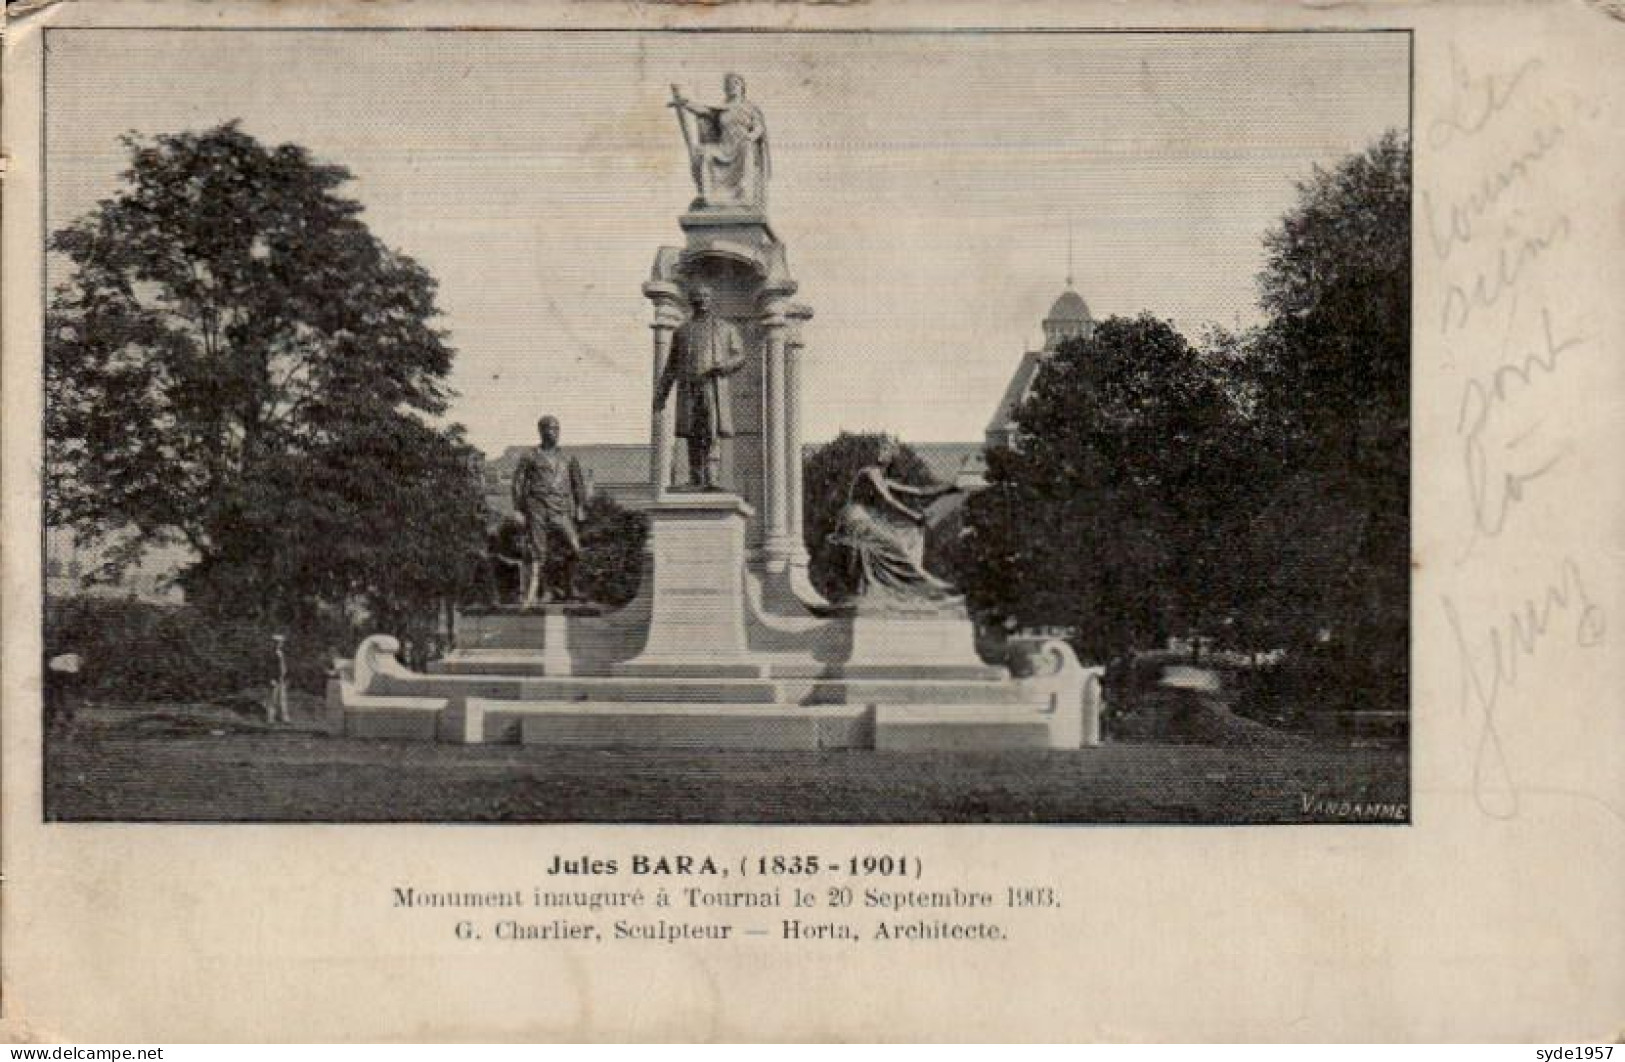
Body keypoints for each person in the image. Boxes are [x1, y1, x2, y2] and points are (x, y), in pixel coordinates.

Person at [830, 438, 963, 607]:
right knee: (895, 545)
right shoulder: (869, 473)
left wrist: (948, 488)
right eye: (880, 448)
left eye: (886, 449)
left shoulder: (883, 479)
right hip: (854, 521)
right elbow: (888, 500)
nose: (881, 452)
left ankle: (914, 591)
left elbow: (919, 491)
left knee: (905, 537)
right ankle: (929, 589)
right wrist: (914, 515)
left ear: (893, 456)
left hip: (865, 521)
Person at [654, 287, 748, 490]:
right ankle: (696, 478)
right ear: (691, 300)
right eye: (697, 296)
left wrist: (724, 365)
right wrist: (661, 394)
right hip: (689, 387)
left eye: (706, 296)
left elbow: (739, 355)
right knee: (692, 434)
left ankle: (712, 478)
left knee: (712, 432)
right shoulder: (682, 331)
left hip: (712, 386)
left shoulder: (725, 328)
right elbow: (671, 365)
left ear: (711, 300)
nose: (701, 300)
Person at [511, 415, 590, 605]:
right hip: (537, 506)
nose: (554, 432)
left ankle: (571, 586)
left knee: (575, 547)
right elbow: (517, 483)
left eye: (556, 429)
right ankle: (546, 591)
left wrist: (579, 506)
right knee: (540, 551)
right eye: (549, 429)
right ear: (541, 431)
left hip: (561, 508)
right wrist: (518, 510)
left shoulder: (568, 458)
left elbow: (578, 483)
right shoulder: (529, 456)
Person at [671, 73, 770, 208]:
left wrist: (750, 136)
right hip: (724, 147)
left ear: (742, 87)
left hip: (742, 145)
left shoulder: (750, 108)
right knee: (704, 153)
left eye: (735, 83)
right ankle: (709, 197)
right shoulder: (722, 109)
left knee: (746, 149)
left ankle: (742, 195)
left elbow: (759, 128)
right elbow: (703, 110)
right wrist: (685, 103)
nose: (732, 86)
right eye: (728, 84)